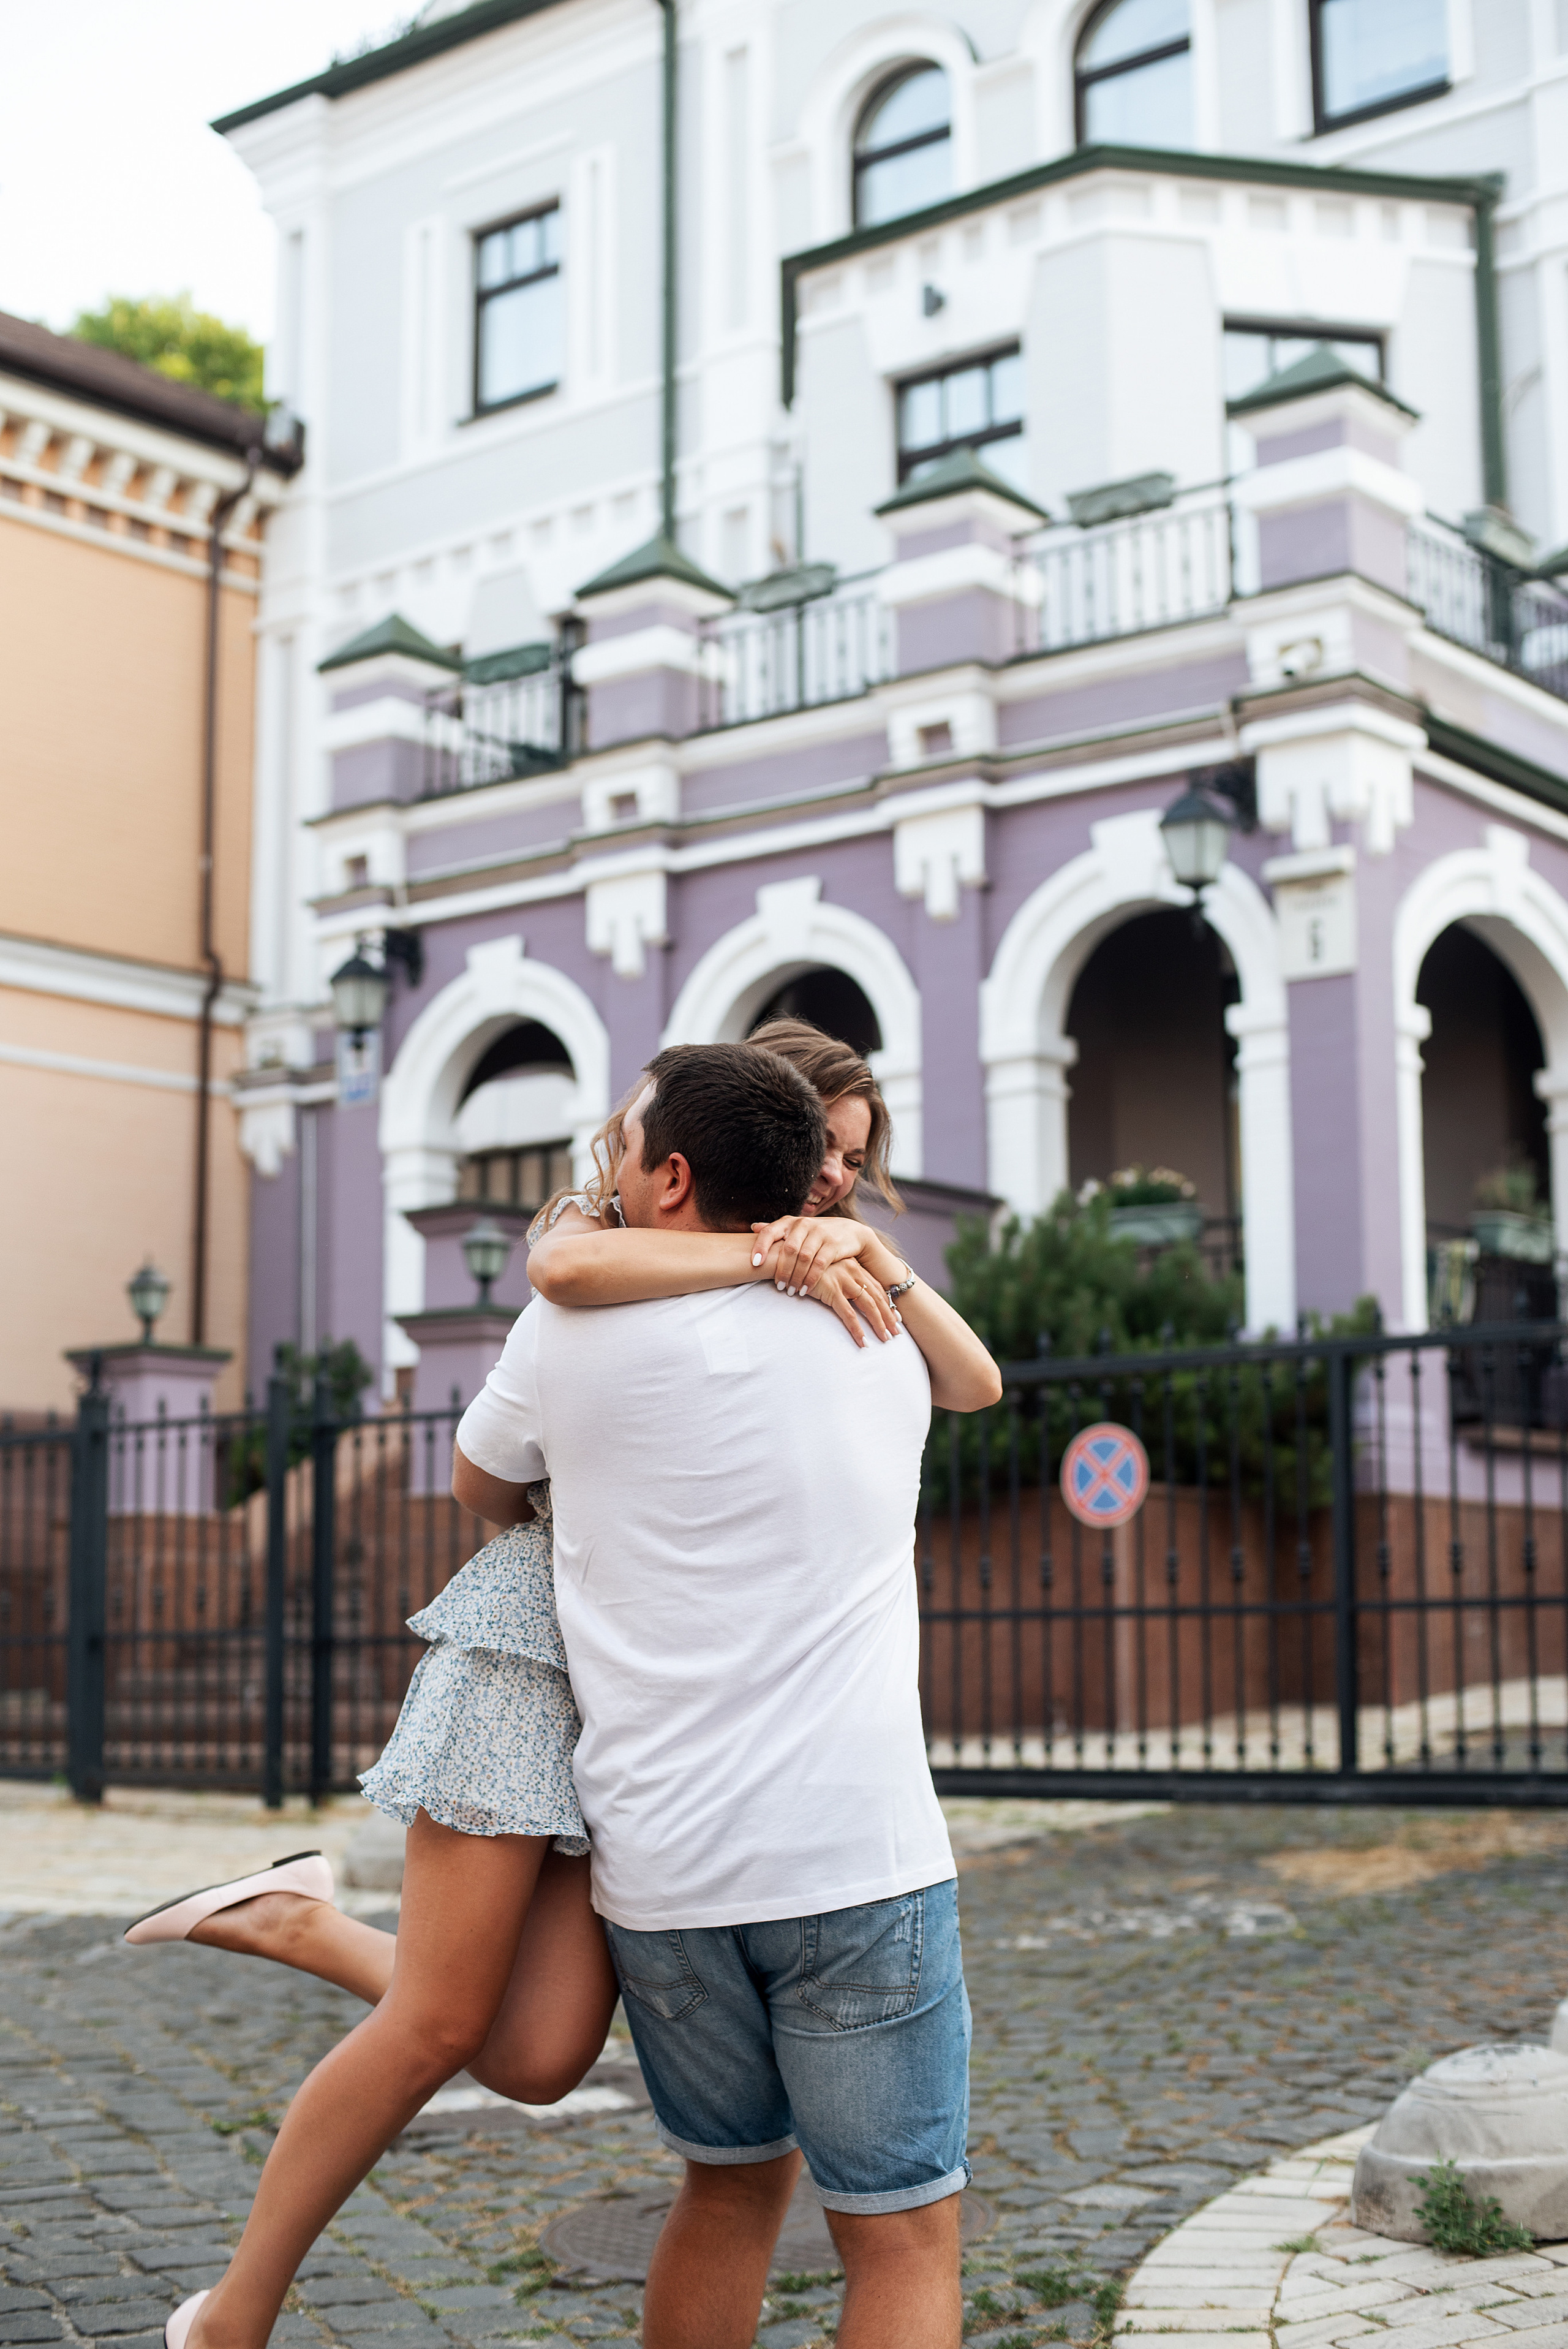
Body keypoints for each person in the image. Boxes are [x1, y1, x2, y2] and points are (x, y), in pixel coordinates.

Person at [135, 1035, 998, 2349]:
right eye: (820, 1150)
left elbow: (488, 1477)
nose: (837, 1179)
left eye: (853, 1162)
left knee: (688, 2160)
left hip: (664, 1874)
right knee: (900, 2240)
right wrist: (823, 1263)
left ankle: (297, 1932)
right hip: (845, 1854)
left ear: (666, 1170)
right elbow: (967, 1376)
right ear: (743, 1166)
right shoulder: (875, 1350)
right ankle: (235, 2295)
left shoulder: (569, 1334)